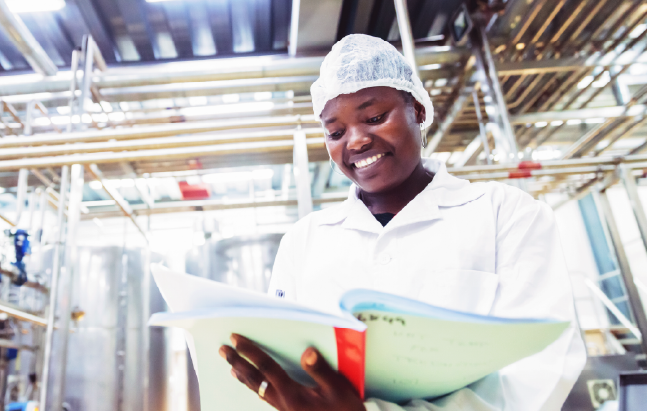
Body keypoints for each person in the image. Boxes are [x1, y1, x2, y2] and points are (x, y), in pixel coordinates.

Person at [219, 34, 586, 411]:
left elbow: (542, 367)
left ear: (417, 109)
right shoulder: (303, 241)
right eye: (335, 132)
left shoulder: (506, 214)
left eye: (375, 117)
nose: (357, 141)